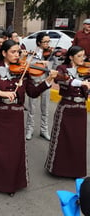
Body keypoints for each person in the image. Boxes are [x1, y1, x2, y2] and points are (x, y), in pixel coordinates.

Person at [0, 39, 57, 196]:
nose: (17, 55)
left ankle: (10, 184)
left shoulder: (24, 70)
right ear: (4, 53)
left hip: (16, 114)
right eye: (13, 52)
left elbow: (32, 92)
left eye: (18, 52)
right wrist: (0, 92)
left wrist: (48, 81)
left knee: (14, 150)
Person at [45, 46, 90, 178]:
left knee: (78, 140)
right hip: (66, 107)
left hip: (80, 108)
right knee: (63, 138)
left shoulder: (86, 70)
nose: (83, 59)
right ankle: (58, 169)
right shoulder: (62, 69)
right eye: (79, 56)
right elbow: (60, 80)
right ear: (71, 57)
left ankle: (76, 171)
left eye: (84, 56)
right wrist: (81, 83)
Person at [25, 32, 53, 140]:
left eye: (48, 41)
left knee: (45, 109)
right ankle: (29, 130)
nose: (47, 44)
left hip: (46, 83)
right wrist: (40, 62)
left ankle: (44, 130)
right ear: (38, 43)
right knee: (32, 109)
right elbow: (27, 65)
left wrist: (48, 64)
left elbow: (56, 67)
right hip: (35, 84)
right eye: (45, 42)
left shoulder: (51, 54)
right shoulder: (32, 53)